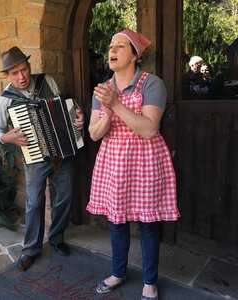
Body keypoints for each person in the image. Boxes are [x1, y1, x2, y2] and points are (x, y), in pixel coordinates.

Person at [86, 29, 180, 300]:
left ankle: (150, 281)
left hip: (145, 159)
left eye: (120, 46)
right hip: (114, 160)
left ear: (135, 55)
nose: (112, 51)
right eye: (111, 46)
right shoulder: (103, 90)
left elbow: (149, 129)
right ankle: (118, 272)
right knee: (117, 221)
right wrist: (106, 112)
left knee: (147, 223)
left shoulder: (152, 84)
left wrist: (115, 104)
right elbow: (94, 134)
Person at [0, 46, 84, 271]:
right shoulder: (5, 100)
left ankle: (57, 238)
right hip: (35, 155)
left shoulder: (47, 81)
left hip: (62, 150)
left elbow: (65, 107)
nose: (22, 76)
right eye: (15, 73)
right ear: (8, 76)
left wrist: (77, 119)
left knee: (65, 195)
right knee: (34, 202)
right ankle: (31, 249)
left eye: (24, 69)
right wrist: (6, 136)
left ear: (29, 67)